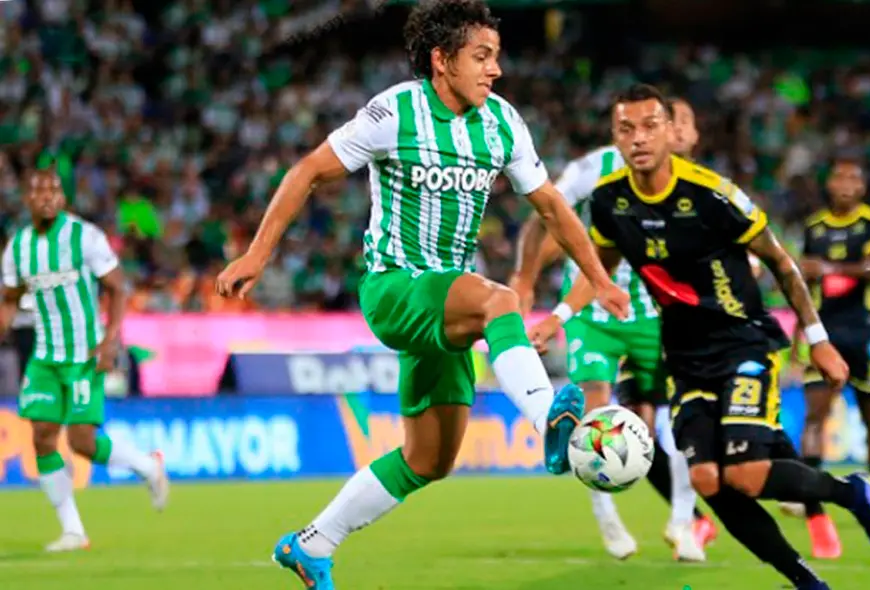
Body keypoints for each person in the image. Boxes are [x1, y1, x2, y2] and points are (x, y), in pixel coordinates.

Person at [214, 2, 628, 588]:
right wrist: (257, 254)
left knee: (429, 459)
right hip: (395, 288)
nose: (496, 71)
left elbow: (552, 208)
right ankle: (550, 421)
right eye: (482, 57)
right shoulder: (394, 112)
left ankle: (313, 543)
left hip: (446, 305)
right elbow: (307, 170)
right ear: (441, 60)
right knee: (500, 301)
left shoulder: (503, 122)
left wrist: (601, 277)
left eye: (497, 58)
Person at [527, 83, 870, 590]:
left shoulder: (712, 194)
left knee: (745, 475)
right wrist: (559, 317)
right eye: (626, 129)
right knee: (705, 479)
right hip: (682, 356)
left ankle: (851, 493)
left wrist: (818, 338)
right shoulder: (611, 201)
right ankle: (805, 580)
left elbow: (782, 263)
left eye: (650, 126)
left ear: (669, 131)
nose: (638, 138)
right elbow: (602, 270)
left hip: (741, 343)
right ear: (615, 136)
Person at [511, 96, 715, 562]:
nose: (672, 132)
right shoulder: (593, 169)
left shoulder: (695, 187)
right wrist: (525, 278)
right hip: (591, 313)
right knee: (596, 411)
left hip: (655, 317)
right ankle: (605, 515)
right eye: (629, 126)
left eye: (675, 123)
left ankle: (685, 524)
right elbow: (544, 213)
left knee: (676, 422)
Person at [0, 169, 169, 552]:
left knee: (81, 442)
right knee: (41, 436)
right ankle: (73, 530)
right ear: (26, 199)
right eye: (39, 191)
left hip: (83, 354)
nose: (47, 198)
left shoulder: (83, 237)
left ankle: (147, 466)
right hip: (45, 356)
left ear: (62, 197)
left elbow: (117, 287)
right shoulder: (18, 247)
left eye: (54, 191)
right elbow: (10, 297)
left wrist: (110, 341)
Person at [781, 158, 870, 559]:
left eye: (854, 176)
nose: (846, 183)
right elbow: (802, 286)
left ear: (863, 187)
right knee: (815, 416)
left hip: (864, 331)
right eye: (839, 176)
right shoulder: (814, 227)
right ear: (828, 183)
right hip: (823, 333)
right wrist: (800, 334)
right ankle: (814, 511)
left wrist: (825, 267)